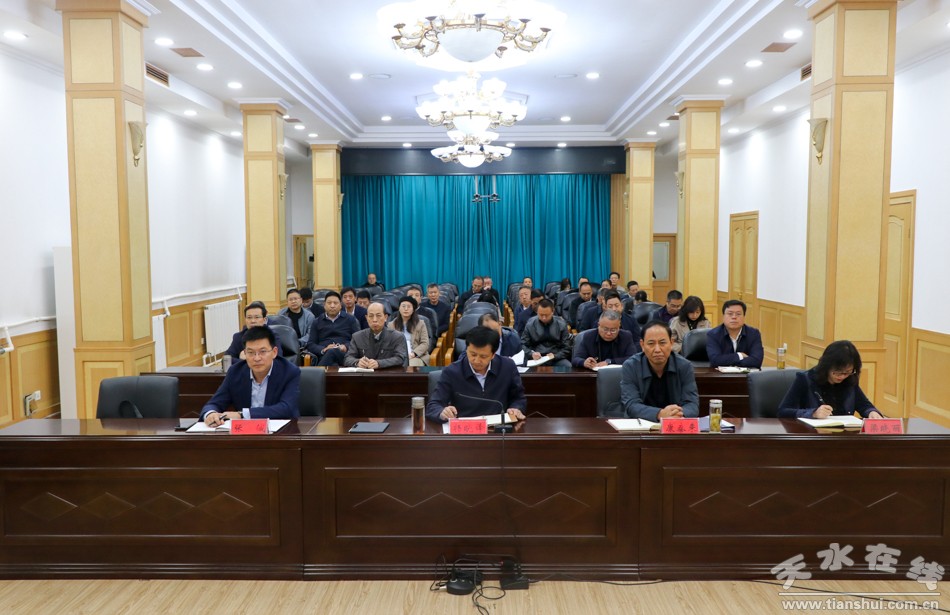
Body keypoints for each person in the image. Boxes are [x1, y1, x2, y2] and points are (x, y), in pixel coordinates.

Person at [201, 326, 300, 426]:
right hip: (245, 432)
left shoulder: (289, 372)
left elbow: (287, 408)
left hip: (281, 432)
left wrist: (243, 415)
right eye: (251, 352)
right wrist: (211, 414)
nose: (257, 358)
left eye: (262, 352)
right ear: (244, 353)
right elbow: (214, 403)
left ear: (274, 352)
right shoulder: (235, 372)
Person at [425, 325, 526, 423]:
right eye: (473, 354)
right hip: (465, 429)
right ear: (466, 349)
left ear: (493, 355)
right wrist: (442, 412)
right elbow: (433, 406)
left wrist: (516, 408)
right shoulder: (452, 371)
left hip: (498, 428)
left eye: (483, 356)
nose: (477, 360)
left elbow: (518, 398)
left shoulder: (507, 367)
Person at [778, 341, 884, 419]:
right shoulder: (806, 379)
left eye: (847, 372)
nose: (842, 376)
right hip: (812, 436)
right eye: (837, 372)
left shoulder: (849, 380)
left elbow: (864, 405)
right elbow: (783, 411)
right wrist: (813, 413)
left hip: (843, 436)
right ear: (827, 366)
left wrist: (872, 412)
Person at [619, 320, 699, 421]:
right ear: (642, 345)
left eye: (662, 343)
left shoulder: (684, 366)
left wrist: (677, 415)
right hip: (642, 424)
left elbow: (692, 404)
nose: (657, 349)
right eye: (651, 343)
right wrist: (660, 414)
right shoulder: (631, 366)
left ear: (671, 343)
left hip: (675, 423)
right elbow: (631, 404)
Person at [344, 302, 408, 369]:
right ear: (366, 318)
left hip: (389, 374)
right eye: (371, 316)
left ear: (385, 317)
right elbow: (347, 359)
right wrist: (357, 362)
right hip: (365, 374)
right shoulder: (357, 337)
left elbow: (400, 358)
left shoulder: (397, 336)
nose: (374, 320)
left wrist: (379, 363)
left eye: (378, 316)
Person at [305, 291, 359, 366]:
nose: (332, 306)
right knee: (332, 360)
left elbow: (357, 341)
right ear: (324, 305)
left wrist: (345, 346)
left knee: (333, 351)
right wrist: (324, 349)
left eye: (335, 303)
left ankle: (319, 371)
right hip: (325, 355)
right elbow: (311, 344)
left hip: (344, 355)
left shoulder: (350, 319)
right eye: (329, 303)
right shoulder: (317, 322)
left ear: (340, 305)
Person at [706, 299, 764, 368]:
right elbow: (715, 360)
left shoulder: (754, 334)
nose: (734, 317)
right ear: (723, 316)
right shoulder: (713, 335)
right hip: (720, 374)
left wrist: (729, 362)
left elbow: (757, 361)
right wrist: (739, 355)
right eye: (730, 314)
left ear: (744, 317)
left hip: (746, 374)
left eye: (738, 314)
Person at [520, 298, 572, 367]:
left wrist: (555, 356)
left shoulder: (561, 324)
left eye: (547, 315)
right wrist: (531, 354)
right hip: (536, 358)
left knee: (568, 367)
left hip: (556, 357)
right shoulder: (530, 324)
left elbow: (567, 347)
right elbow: (523, 345)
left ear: (552, 312)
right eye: (541, 315)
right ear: (537, 312)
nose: (544, 318)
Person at [389, 295, 429, 366]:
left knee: (410, 365)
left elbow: (425, 343)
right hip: (398, 356)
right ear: (399, 308)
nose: (406, 309)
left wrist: (414, 354)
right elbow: (389, 344)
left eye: (409, 306)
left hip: (416, 356)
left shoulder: (420, 324)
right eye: (403, 306)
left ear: (413, 309)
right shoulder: (391, 325)